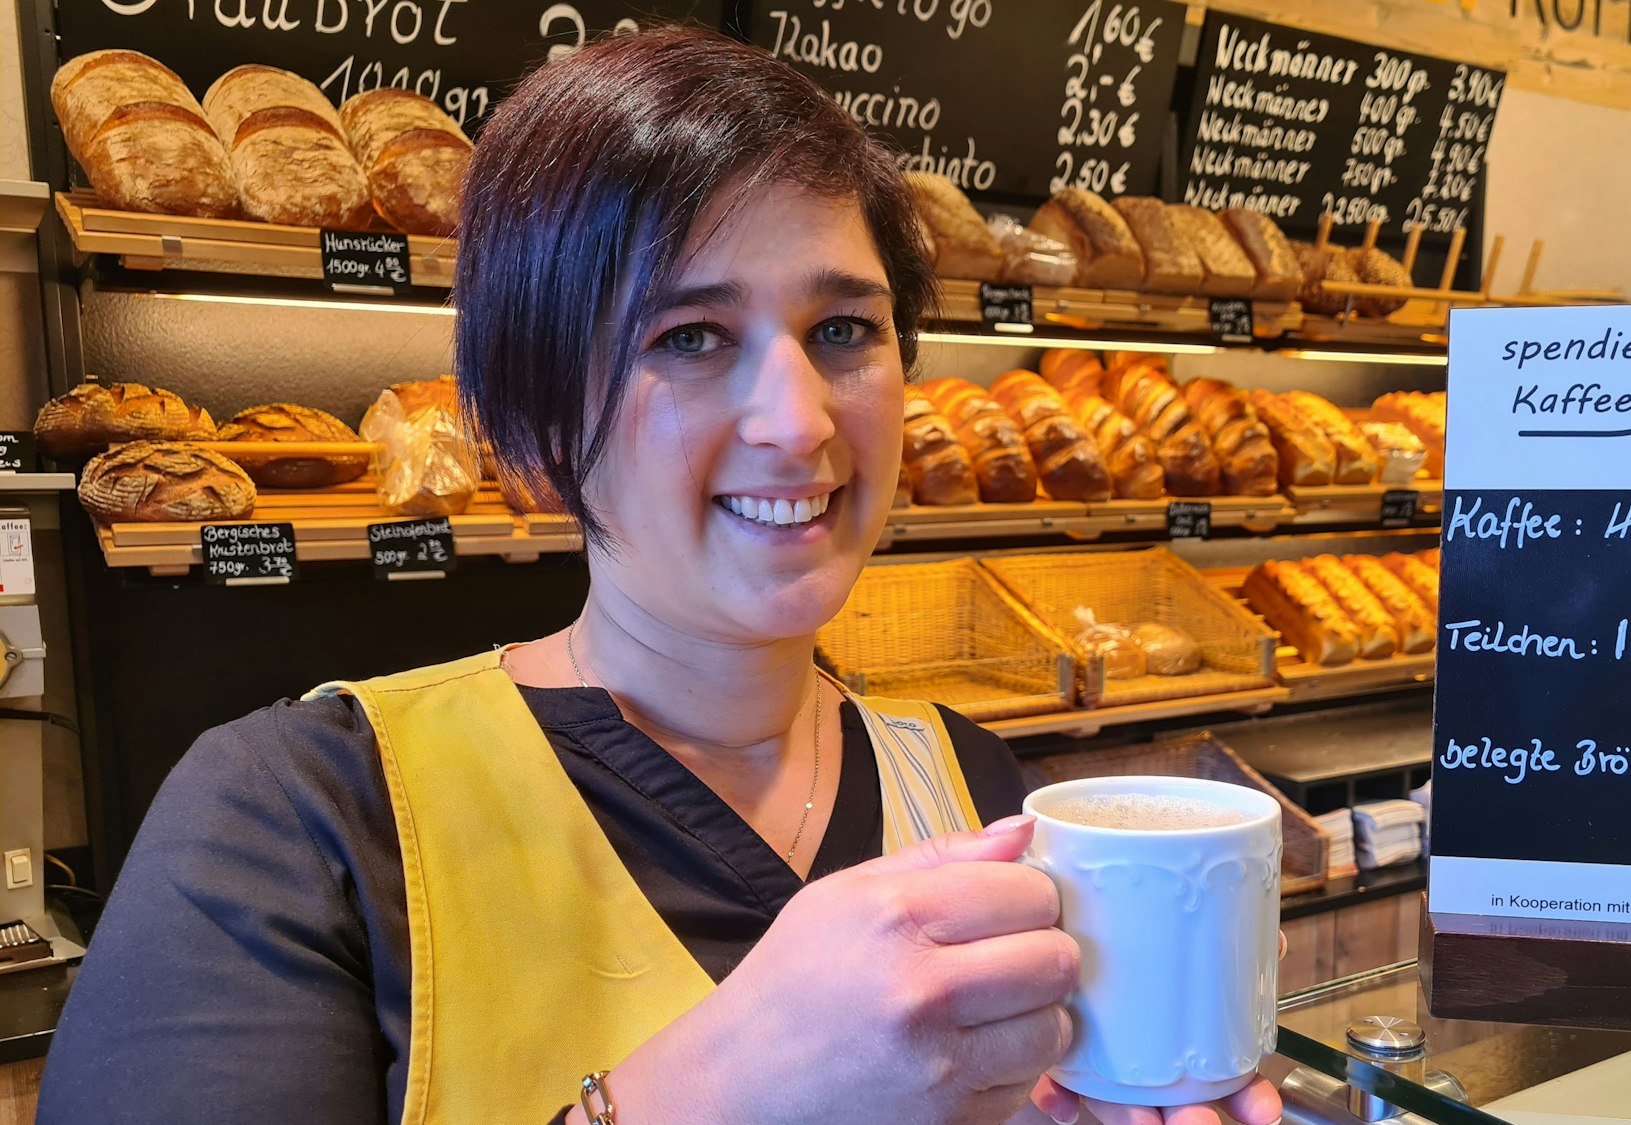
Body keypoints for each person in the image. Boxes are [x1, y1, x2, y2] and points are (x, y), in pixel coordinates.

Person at [36, 25, 1283, 1125]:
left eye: (842, 330)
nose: (796, 422)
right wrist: (721, 1088)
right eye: (688, 338)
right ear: (529, 425)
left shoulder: (966, 783)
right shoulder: (290, 821)